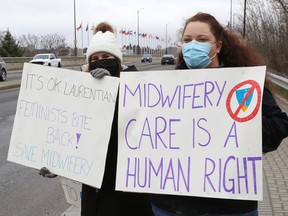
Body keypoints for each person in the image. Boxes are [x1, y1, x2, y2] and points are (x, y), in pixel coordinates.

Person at [149, 12, 288, 216]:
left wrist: (237, 123)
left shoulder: (243, 85)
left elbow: (278, 126)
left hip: (229, 206)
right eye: (187, 40)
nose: (193, 44)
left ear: (218, 46)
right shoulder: (166, 88)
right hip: (171, 205)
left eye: (202, 39)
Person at [40, 22, 153, 216]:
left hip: (128, 196)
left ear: (117, 60)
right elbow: (74, 135)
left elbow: (145, 133)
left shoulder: (139, 88)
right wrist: (58, 164)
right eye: (95, 58)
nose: (101, 61)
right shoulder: (81, 92)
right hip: (94, 196)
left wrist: (114, 89)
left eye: (107, 57)